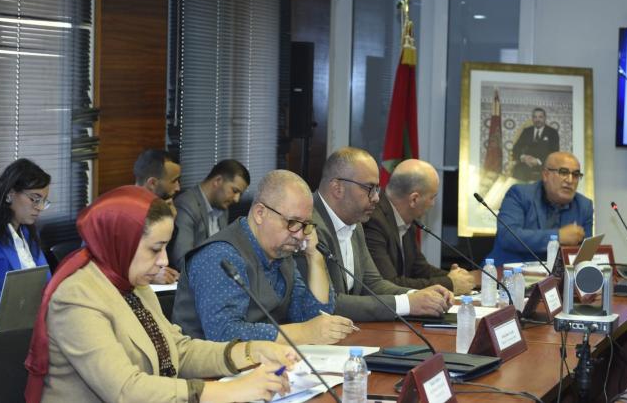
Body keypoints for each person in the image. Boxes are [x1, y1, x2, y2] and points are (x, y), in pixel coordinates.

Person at [24, 186, 297, 403]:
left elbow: (178, 351)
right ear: (121, 242)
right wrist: (232, 391)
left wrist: (250, 352)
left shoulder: (131, 283)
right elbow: (126, 390)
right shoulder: (77, 298)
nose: (164, 261)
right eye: (155, 249)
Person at [173, 170, 354, 345]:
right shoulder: (220, 256)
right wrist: (303, 332)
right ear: (260, 213)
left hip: (267, 362)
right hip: (210, 366)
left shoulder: (282, 253)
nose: (300, 235)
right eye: (293, 222)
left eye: (306, 225)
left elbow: (313, 318)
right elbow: (225, 335)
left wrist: (315, 257)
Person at [299, 147, 453, 322]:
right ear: (337, 188)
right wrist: (408, 303)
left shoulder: (355, 224)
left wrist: (420, 295)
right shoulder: (307, 226)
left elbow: (373, 284)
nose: (376, 198)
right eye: (369, 188)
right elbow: (328, 304)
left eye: (377, 189)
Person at [363, 159, 474, 294]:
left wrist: (456, 277)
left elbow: (419, 269)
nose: (433, 204)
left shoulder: (407, 220)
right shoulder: (374, 222)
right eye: (432, 197)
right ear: (414, 199)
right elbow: (389, 284)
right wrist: (449, 283)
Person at [486, 151, 593, 265]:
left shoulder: (584, 206)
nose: (570, 180)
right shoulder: (520, 194)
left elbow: (584, 255)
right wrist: (558, 237)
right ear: (546, 175)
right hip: (509, 271)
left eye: (576, 175)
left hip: (557, 274)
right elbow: (507, 236)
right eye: (563, 172)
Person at [0, 159, 51, 319]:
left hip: (32, 321)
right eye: (35, 199)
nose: (39, 207)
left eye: (43, 201)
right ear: (10, 194)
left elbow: (47, 284)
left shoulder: (29, 232)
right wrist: (27, 299)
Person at [169, 159, 250, 271]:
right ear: (218, 181)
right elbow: (182, 260)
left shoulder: (223, 207)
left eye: (240, 194)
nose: (237, 199)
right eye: (235, 191)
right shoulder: (187, 205)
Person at [133, 149, 181, 284]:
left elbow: (166, 259)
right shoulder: (122, 214)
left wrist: (170, 222)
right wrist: (151, 275)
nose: (178, 188)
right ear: (152, 183)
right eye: (174, 181)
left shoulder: (162, 208)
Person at [511, 108, 560, 182]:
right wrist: (524, 157)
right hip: (526, 164)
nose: (537, 120)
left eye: (540, 117)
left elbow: (554, 153)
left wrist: (538, 161)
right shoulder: (526, 131)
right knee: (518, 170)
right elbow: (516, 148)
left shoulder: (552, 132)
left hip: (544, 165)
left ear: (545, 118)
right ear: (532, 119)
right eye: (535, 117)